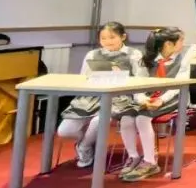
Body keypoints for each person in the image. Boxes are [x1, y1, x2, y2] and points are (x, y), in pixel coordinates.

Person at [56, 22, 144, 168]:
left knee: (100, 120)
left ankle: (84, 147)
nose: (108, 41)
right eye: (103, 38)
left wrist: (123, 76)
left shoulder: (134, 54)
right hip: (92, 96)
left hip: (119, 98)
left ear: (123, 37)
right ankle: (88, 141)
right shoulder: (92, 54)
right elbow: (83, 78)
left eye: (112, 37)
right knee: (65, 131)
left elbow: (142, 79)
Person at [125, 27, 190, 182]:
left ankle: (150, 162)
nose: (183, 43)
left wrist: (162, 100)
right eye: (181, 40)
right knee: (126, 117)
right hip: (149, 96)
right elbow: (138, 84)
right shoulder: (146, 59)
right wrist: (141, 99)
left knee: (142, 118)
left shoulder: (183, 59)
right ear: (168, 44)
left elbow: (178, 85)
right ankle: (133, 156)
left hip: (174, 97)